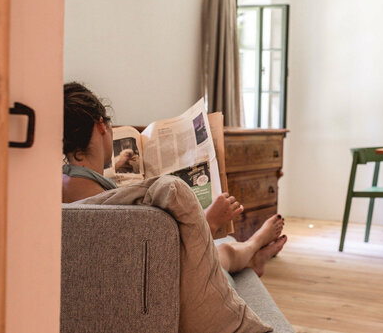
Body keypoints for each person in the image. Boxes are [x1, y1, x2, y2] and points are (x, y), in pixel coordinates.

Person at [62, 82, 286, 276]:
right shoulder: (104, 201)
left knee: (222, 248)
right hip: (153, 277)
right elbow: (161, 255)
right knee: (221, 251)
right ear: (101, 125)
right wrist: (211, 221)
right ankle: (255, 246)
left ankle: (253, 257)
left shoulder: (66, 184)